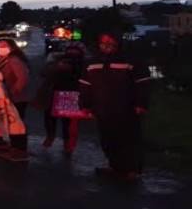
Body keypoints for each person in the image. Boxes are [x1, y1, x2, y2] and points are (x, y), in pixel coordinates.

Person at [79, 32, 150, 180]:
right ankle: (115, 166)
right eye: (104, 41)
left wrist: (141, 103)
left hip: (127, 108)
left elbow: (142, 83)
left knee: (129, 139)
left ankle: (132, 169)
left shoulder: (131, 61)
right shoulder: (91, 63)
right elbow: (85, 85)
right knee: (108, 138)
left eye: (110, 41)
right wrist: (85, 105)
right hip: (102, 109)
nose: (107, 44)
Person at [0, 38, 32, 162]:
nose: (1, 48)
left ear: (12, 47)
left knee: (16, 124)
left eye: (4, 45)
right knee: (7, 122)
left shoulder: (14, 61)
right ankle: (12, 147)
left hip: (14, 98)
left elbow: (22, 78)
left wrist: (13, 92)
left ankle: (20, 150)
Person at [33, 42, 85, 154]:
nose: (72, 53)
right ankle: (50, 136)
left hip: (70, 94)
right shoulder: (56, 60)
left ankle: (67, 143)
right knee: (49, 117)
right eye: (70, 50)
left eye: (75, 50)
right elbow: (44, 73)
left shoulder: (82, 64)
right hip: (52, 92)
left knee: (67, 121)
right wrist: (56, 66)